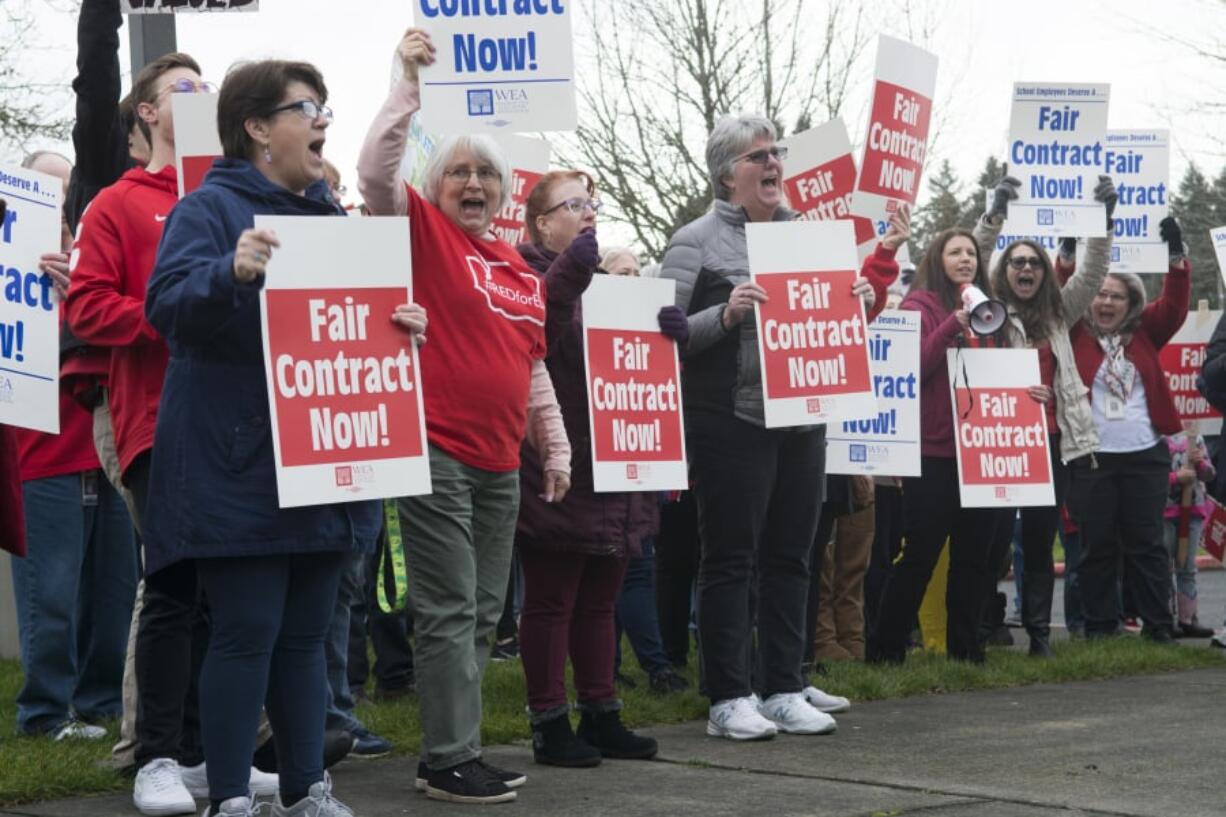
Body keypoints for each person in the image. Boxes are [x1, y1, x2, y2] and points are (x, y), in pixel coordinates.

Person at [143, 59, 405, 817]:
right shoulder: (210, 210)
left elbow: (351, 334)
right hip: (242, 464)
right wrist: (229, 272)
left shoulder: (334, 221)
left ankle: (303, 790)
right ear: (258, 128)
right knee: (247, 631)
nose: (322, 119)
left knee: (304, 638)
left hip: (325, 461)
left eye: (325, 105)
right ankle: (229, 796)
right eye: (306, 107)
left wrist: (399, 329)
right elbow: (167, 309)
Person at [358, 28, 570, 804]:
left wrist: (554, 446)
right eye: (458, 171)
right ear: (436, 185)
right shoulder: (422, 232)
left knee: (484, 609)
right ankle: (449, 756)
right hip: (437, 449)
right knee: (449, 608)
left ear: (507, 192)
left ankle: (456, 748)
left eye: (486, 172)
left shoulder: (519, 271)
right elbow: (375, 172)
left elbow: (533, 368)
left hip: (498, 460)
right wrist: (406, 81)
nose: (473, 181)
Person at [66, 51, 275, 817]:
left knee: (230, 592)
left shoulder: (237, 199)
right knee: (174, 585)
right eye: (181, 90)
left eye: (205, 88)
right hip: (157, 420)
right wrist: (177, 307)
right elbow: (86, 308)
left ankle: (209, 755)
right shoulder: (118, 204)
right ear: (147, 113)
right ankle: (156, 755)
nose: (199, 96)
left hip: (242, 427)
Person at [661, 114, 897, 740]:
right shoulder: (695, 242)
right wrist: (725, 313)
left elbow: (825, 324)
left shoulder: (810, 237)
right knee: (731, 559)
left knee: (794, 555)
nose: (773, 164)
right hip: (731, 419)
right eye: (758, 156)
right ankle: (727, 697)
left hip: (803, 418)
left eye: (777, 153)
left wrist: (856, 306)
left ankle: (783, 686)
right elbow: (659, 335)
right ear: (726, 175)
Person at [513, 169, 661, 766]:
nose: (586, 212)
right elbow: (533, 337)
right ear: (541, 223)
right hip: (560, 464)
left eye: (591, 203)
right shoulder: (523, 275)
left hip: (617, 464)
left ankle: (601, 712)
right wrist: (572, 272)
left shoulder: (609, 289)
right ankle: (549, 721)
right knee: (551, 600)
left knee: (602, 599)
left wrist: (662, 336)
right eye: (571, 205)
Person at [10, 151, 138, 741]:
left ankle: (99, 704)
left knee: (112, 595)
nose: (58, 202)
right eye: (45, 188)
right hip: (43, 456)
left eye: (66, 191)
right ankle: (44, 714)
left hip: (107, 454)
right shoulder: (12, 268)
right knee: (52, 595)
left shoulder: (95, 261)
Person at [976, 173, 1118, 656]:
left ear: (1043, 272)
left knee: (1038, 540)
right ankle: (983, 626)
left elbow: (1094, 271)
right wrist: (995, 214)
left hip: (1051, 441)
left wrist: (1102, 220)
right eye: (1017, 261)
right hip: (996, 443)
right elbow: (971, 263)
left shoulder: (1060, 313)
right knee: (991, 540)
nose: (1026, 268)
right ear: (1004, 271)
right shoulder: (986, 310)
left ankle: (1039, 635)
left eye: (1034, 262)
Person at [867, 227, 1011, 666]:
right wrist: (952, 325)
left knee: (974, 557)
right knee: (921, 554)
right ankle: (886, 649)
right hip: (933, 452)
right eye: (955, 252)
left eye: (971, 252)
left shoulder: (988, 310)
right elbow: (913, 367)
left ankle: (966, 650)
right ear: (937, 258)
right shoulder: (920, 306)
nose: (965, 259)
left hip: (978, 450)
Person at [1065, 217, 1189, 642]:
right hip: (1092, 457)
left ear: (1131, 302)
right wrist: (1067, 258)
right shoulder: (1075, 332)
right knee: (1096, 546)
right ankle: (1101, 628)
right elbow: (1059, 300)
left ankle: (1159, 627)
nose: (1106, 302)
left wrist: (1176, 259)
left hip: (1145, 455)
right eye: (1099, 293)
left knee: (1147, 546)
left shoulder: (1146, 332)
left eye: (1116, 296)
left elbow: (1174, 306)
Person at [1163, 422, 1216, 638]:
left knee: (1187, 566)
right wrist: (1176, 478)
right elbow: (1151, 478)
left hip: (1192, 511)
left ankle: (1188, 618)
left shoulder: (1195, 438)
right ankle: (1164, 618)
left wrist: (1200, 464)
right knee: (1164, 566)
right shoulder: (1156, 439)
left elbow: (1209, 474)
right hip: (1164, 512)